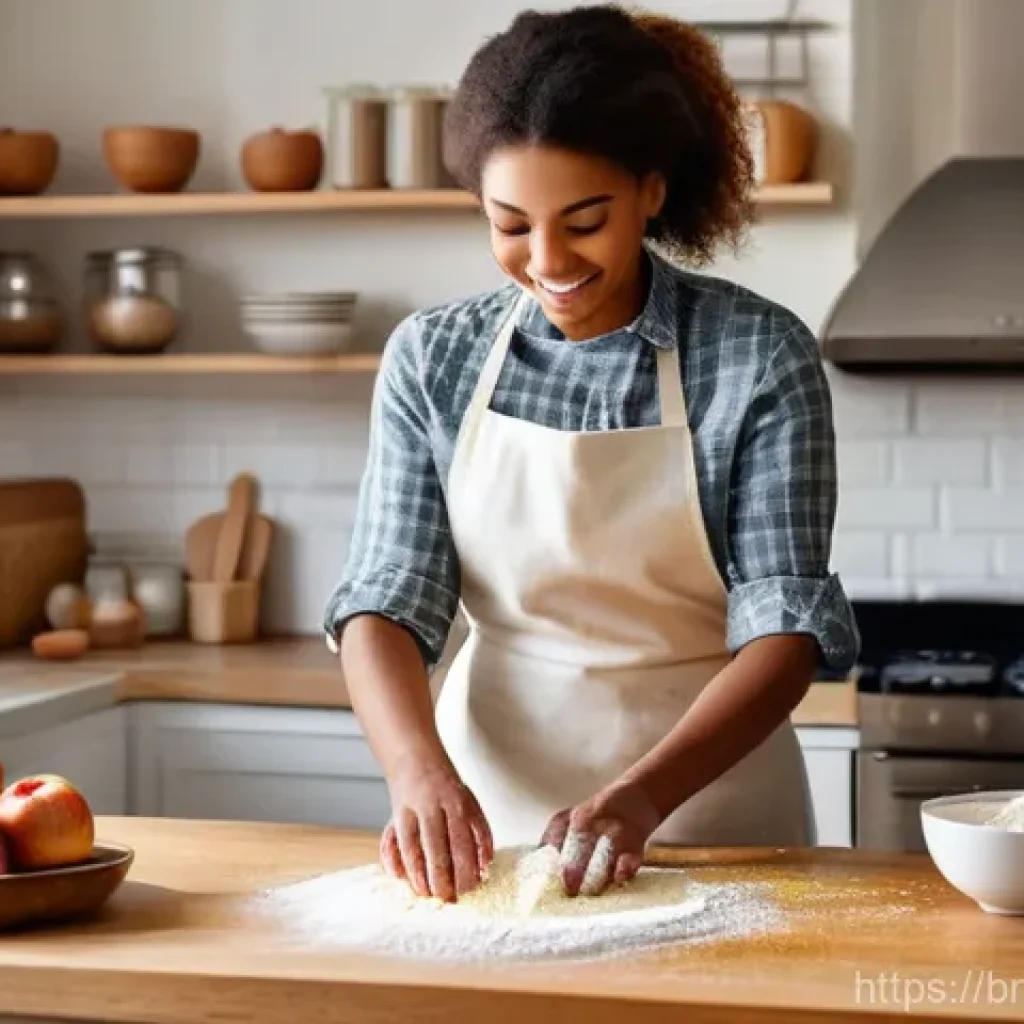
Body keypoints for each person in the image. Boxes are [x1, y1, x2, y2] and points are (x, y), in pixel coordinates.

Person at [323, 4, 859, 905]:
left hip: (710, 813)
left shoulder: (758, 354)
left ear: (651, 190)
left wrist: (639, 798)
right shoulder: (434, 357)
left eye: (583, 219)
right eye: (510, 224)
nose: (545, 260)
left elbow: (785, 631)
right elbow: (384, 600)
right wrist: (417, 774)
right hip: (487, 819)